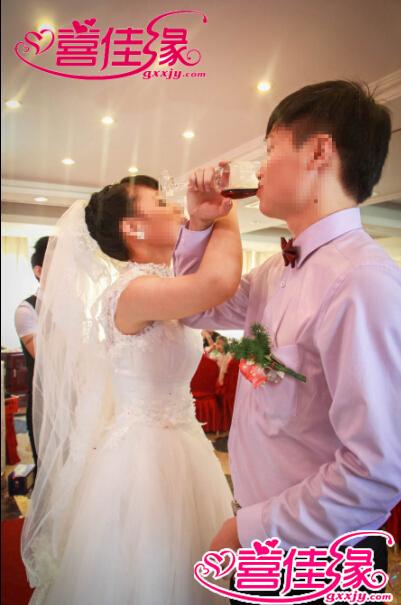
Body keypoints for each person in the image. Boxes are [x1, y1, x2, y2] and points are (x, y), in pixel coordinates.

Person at [173, 80, 401, 603]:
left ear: (319, 152)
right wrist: (200, 226)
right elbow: (196, 308)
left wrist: (250, 530)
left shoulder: (362, 282)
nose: (258, 169)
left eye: (270, 148)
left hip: (318, 551)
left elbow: (375, 469)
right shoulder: (276, 269)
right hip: (266, 529)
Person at [21, 183, 242, 604]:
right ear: (133, 229)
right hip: (143, 458)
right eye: (159, 203)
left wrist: (201, 223)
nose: (174, 206)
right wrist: (225, 208)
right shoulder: (132, 292)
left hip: (183, 441)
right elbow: (217, 282)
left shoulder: (166, 282)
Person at [14, 236, 49, 471]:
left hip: (80, 404)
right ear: (39, 270)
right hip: (45, 406)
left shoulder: (78, 305)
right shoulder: (27, 309)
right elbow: (45, 359)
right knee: (48, 472)